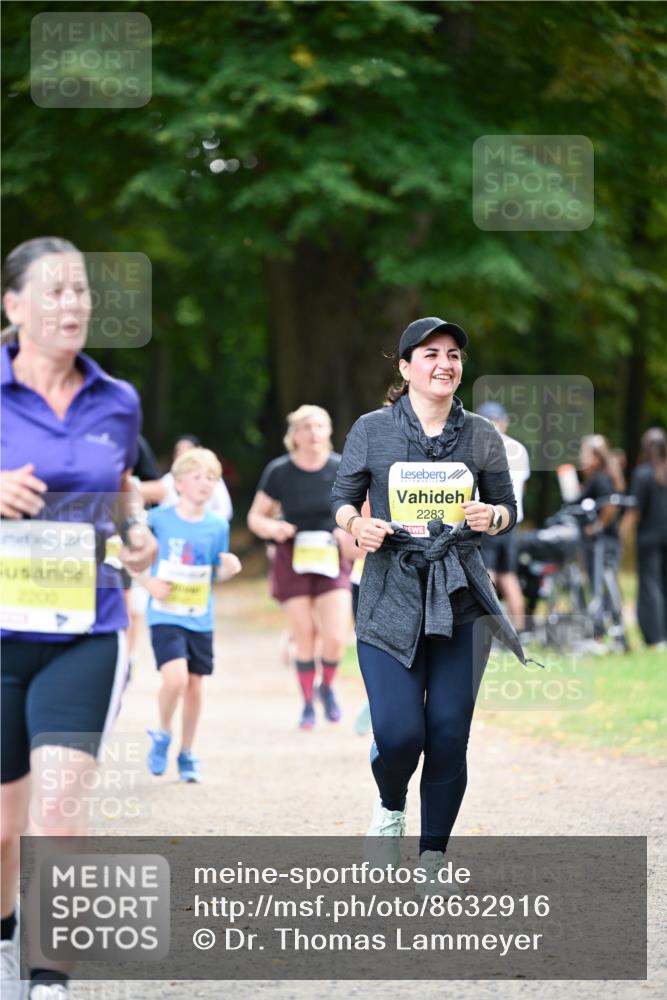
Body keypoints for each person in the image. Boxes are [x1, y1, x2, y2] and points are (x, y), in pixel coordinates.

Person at [0, 237, 157, 1000]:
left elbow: (122, 487)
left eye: (81, 292)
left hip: (86, 628)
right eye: (55, 291)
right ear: (14, 306)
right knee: (2, 827)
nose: (72, 305)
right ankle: (4, 936)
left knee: (58, 810)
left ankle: (48, 977)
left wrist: (134, 535)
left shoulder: (117, 400)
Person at [330, 317, 527, 877]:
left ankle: (434, 857)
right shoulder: (372, 429)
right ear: (405, 367)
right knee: (398, 735)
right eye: (431, 354)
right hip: (390, 594)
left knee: (446, 731)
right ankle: (391, 806)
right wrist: (356, 525)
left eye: (454, 355)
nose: (445, 364)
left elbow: (509, 509)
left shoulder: (482, 435)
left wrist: (494, 516)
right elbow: (341, 498)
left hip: (462, 598)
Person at [137, 447, 241, 783]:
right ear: (178, 483)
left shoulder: (216, 525)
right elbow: (130, 557)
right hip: (165, 614)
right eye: (197, 477)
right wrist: (147, 582)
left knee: (194, 686)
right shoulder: (158, 519)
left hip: (199, 616)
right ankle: (163, 732)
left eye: (211, 478)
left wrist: (229, 569)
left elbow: (215, 572)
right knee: (175, 678)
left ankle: (186, 752)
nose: (205, 483)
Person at [248, 405, 352, 730]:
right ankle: (307, 703)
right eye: (306, 426)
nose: (313, 432)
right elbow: (256, 516)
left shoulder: (341, 467)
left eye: (320, 425)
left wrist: (347, 528)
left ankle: (327, 687)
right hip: (292, 555)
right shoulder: (279, 471)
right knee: (304, 634)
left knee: (335, 636)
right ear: (293, 435)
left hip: (331, 556)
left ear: (329, 431)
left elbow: (360, 510)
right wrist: (273, 529)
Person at [477, 401, 530, 631]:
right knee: (509, 575)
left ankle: (490, 630)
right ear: (504, 422)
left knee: (487, 575)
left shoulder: (481, 447)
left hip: (488, 518)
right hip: (512, 521)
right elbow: (522, 488)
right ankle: (519, 629)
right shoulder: (519, 449)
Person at [621, 428, 667, 647]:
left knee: (650, 586)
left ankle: (656, 637)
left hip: (649, 539)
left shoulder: (643, 473)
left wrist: (622, 535)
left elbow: (633, 511)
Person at [578, 434, 625, 597]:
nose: (581, 458)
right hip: (608, 539)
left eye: (585, 454)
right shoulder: (601, 477)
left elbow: (610, 505)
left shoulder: (600, 479)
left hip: (602, 541)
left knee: (599, 583)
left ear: (597, 457)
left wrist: (597, 527)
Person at [157, 435, 233, 521]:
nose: (183, 454)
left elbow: (225, 510)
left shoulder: (212, 476)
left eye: (188, 450)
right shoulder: (167, 480)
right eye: (179, 451)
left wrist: (200, 521)